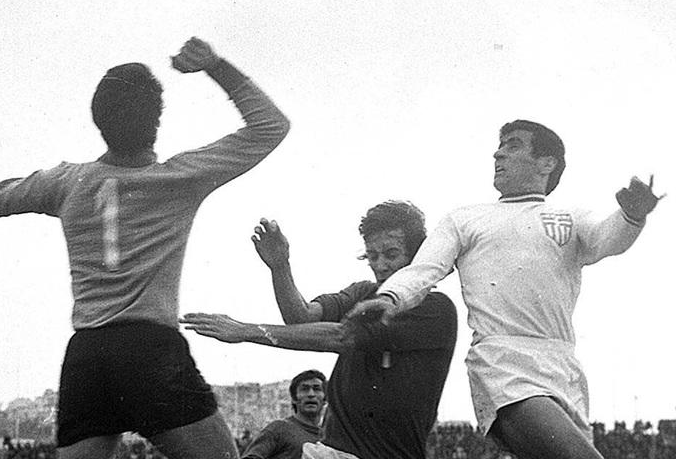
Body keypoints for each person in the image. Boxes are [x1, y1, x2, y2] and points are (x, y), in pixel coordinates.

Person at [0, 37, 290, 459]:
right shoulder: (180, 178)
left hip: (88, 357)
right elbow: (271, 126)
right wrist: (215, 65)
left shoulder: (67, 182)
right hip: (151, 350)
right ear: (156, 121)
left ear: (98, 122)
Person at [348, 120, 664, 459]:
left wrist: (631, 216)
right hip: (502, 362)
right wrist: (390, 297)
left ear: (547, 163)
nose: (498, 154)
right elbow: (424, 269)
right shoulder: (464, 219)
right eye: (500, 146)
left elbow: (606, 238)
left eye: (513, 145)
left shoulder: (570, 216)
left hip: (564, 366)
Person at [181, 201, 458, 459]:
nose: (380, 265)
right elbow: (301, 318)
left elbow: (342, 336)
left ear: (418, 256)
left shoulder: (435, 308)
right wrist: (280, 266)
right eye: (372, 255)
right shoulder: (363, 292)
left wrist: (247, 331)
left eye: (391, 254)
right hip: (333, 451)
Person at [241, 369, 327, 459]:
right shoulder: (279, 429)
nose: (311, 394)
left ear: (325, 399)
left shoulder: (329, 440)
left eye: (317, 389)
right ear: (294, 399)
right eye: (304, 389)